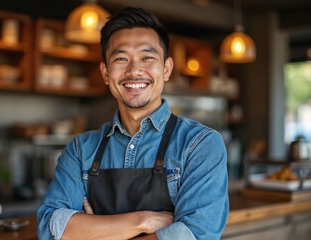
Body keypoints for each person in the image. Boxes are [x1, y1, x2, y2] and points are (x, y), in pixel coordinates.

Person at [37, 7, 229, 240]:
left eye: (147, 57)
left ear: (166, 69)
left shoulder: (199, 145)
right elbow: (50, 227)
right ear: (106, 73)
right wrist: (143, 221)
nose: (134, 70)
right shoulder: (80, 150)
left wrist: (93, 230)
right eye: (121, 58)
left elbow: (196, 235)